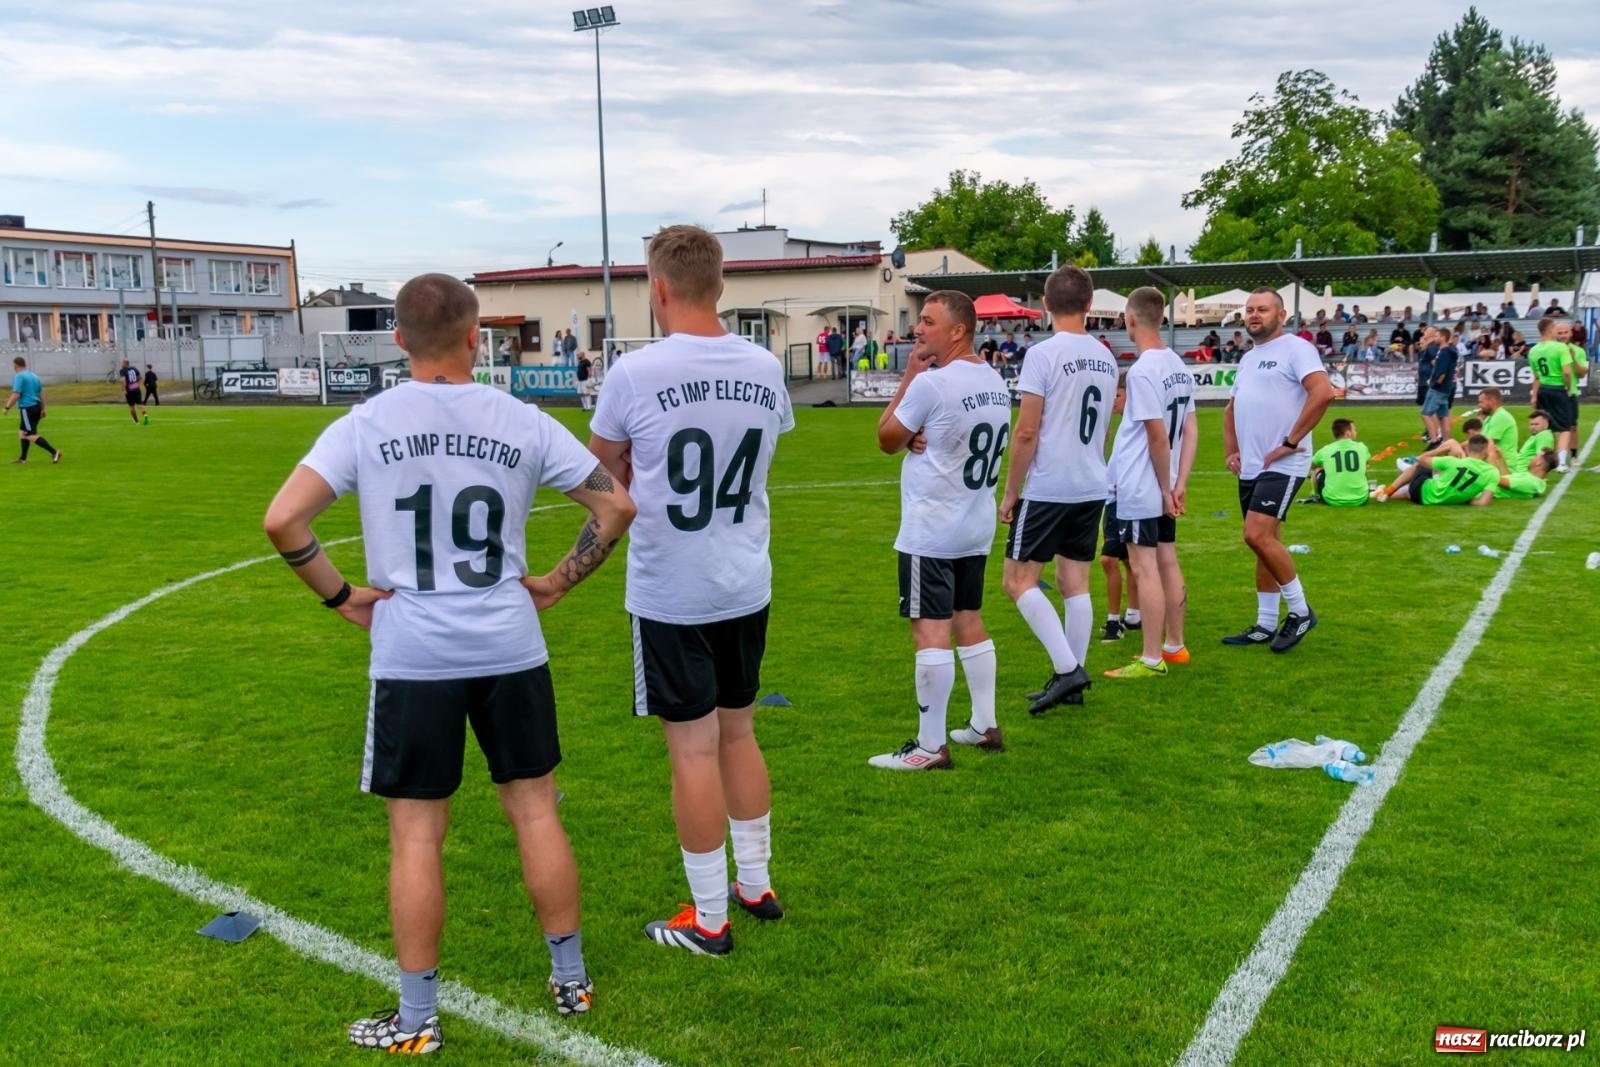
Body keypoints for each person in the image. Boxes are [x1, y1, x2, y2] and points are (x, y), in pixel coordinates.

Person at [263, 273, 637, 1050]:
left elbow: (283, 519)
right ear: (476, 338)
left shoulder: (367, 422)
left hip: (415, 650)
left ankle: (416, 1019)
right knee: (536, 809)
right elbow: (616, 504)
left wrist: (342, 597)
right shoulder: (521, 419)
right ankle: (571, 980)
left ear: (397, 340)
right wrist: (559, 582)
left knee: (416, 837)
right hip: (508, 642)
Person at [588, 225, 793, 953]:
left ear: (660, 288)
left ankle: (709, 919)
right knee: (738, 730)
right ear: (722, 285)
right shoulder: (766, 367)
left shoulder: (635, 373)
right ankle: (755, 882)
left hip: (674, 587)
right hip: (744, 578)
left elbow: (603, 477)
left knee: (694, 750)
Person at [869, 289, 1009, 768]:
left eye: (928, 321)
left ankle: (929, 748)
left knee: (930, 631)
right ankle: (984, 724)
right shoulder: (994, 380)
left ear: (958, 331)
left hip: (933, 525)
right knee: (968, 618)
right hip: (975, 521)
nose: (918, 329)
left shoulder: (933, 383)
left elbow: (887, 438)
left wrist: (908, 380)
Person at [998, 265, 1117, 715]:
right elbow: (1104, 427)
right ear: (1089, 305)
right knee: (1075, 582)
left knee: (1017, 581)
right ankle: (1073, 678)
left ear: (1046, 303)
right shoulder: (1106, 356)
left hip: (1051, 485)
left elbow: (1026, 432)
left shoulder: (1043, 354)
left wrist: (1011, 492)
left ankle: (1069, 670)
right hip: (1091, 481)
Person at [1221, 288, 1334, 652]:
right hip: (1251, 464)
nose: (1254, 315)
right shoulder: (1248, 358)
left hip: (1284, 463)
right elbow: (1230, 409)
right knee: (1265, 543)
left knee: (1256, 535)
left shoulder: (1297, 349)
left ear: (1281, 316)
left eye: (1263, 309)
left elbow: (1323, 393)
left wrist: (1289, 441)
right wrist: (1231, 449)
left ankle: (1300, 611)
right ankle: (1265, 624)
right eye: (1250, 310)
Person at [1100, 287, 1196, 679]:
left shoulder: (1141, 371)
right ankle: (1175, 646)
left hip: (1143, 484)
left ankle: (1151, 658)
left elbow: (1157, 437)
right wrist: (1178, 482)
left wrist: (1160, 487)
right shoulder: (1178, 364)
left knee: (1144, 567)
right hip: (1164, 481)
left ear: (1131, 319)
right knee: (1167, 560)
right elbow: (1190, 429)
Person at [1374, 435, 1498, 505]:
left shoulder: (1452, 461)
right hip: (1432, 498)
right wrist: (1465, 500)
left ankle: (1387, 492)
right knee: (1409, 493)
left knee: (1418, 466)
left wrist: (1443, 449)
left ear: (1468, 448)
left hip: (1421, 492)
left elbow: (1421, 459)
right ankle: (1383, 493)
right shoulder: (1492, 473)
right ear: (1486, 451)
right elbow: (1483, 502)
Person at [1527, 317, 1576, 472]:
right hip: (1557, 389)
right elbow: (1567, 372)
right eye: (1555, 328)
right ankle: (1561, 462)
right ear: (1549, 330)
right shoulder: (1560, 348)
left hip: (1543, 390)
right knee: (1565, 427)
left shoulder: (1533, 350)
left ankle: (1543, 458)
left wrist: (1534, 395)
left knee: (1546, 427)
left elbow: (1536, 377)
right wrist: (1568, 387)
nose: (1557, 331)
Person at [5, 357, 61, 464]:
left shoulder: (19, 376)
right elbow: (41, 393)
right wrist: (43, 408)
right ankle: (23, 458)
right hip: (36, 406)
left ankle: (54, 452)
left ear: (15, 365)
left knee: (28, 434)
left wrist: (7, 407)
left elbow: (16, 394)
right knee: (22, 432)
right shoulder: (33, 376)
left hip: (27, 408)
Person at [1308, 418, 1369, 506]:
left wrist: (1328, 466)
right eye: (1354, 430)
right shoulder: (1362, 447)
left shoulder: (1326, 449)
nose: (1356, 432)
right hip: (1361, 499)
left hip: (1332, 500)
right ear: (1348, 433)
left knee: (1317, 470)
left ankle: (1315, 494)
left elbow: (1311, 465)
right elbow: (1365, 464)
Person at [1423, 327, 1460, 447]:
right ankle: (1447, 442)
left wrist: (1434, 384)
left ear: (1443, 338)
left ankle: (1434, 441)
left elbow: (1442, 373)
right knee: (1442, 417)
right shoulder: (1446, 351)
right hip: (1445, 389)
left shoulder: (1444, 352)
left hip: (1439, 389)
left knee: (1425, 413)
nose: (1435, 338)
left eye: (1437, 336)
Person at [1493, 448, 1559, 499]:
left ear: (1539, 463)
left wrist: (1491, 455)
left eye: (1535, 456)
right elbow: (1506, 478)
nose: (1531, 458)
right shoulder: (1531, 478)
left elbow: (1497, 480)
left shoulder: (1530, 482)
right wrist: (1499, 458)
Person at [1473, 388, 1517, 459]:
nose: (1479, 405)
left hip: (1503, 464)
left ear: (1492, 401)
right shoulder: (1490, 417)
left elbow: (1485, 444)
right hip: (1492, 461)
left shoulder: (1500, 416)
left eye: (1481, 402)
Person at [117, 358, 148, 425]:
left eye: (121, 363)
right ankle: (145, 417)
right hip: (136, 388)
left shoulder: (122, 370)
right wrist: (136, 384)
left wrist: (124, 389)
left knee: (131, 406)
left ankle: (136, 422)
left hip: (129, 390)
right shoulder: (134, 368)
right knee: (140, 404)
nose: (120, 364)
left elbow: (123, 380)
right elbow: (140, 377)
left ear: (125, 363)